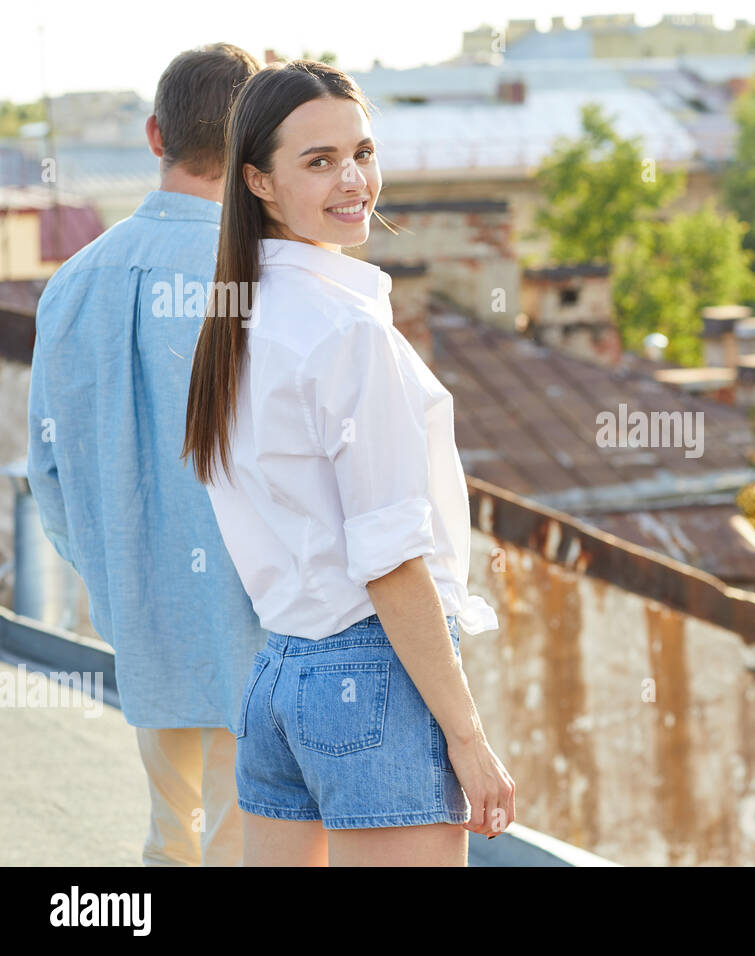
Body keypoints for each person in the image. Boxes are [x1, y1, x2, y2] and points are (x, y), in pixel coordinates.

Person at [180, 59, 515, 866]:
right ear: (258, 180)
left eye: (362, 152)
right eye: (319, 161)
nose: (354, 179)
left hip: (279, 679)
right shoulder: (347, 332)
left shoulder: (236, 320)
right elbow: (391, 559)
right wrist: (467, 739)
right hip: (376, 680)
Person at [26, 43, 264, 867]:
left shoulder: (72, 283)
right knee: (254, 842)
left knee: (173, 840)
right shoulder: (271, 278)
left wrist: (106, 567)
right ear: (254, 146)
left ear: (156, 133)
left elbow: (48, 471)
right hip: (262, 621)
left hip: (140, 604)